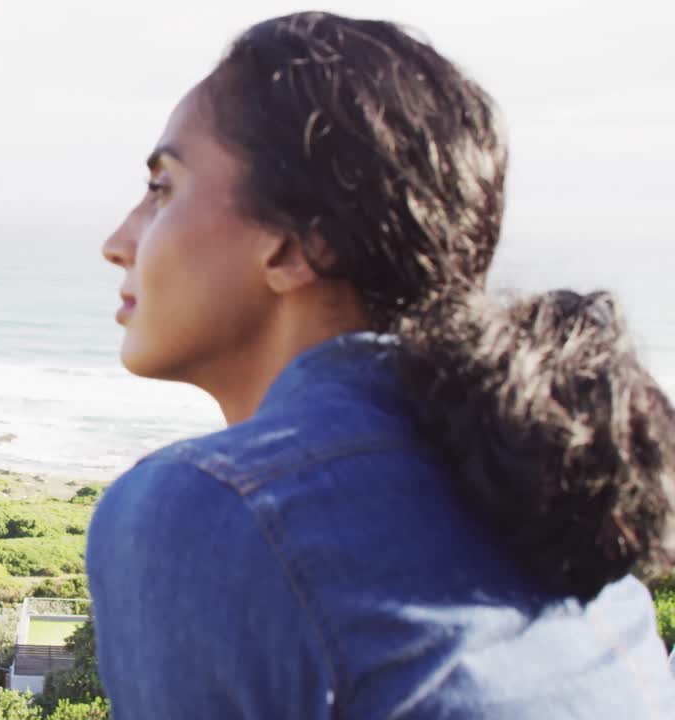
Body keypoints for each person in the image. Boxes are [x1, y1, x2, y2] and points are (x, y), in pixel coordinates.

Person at [87, 11, 675, 719]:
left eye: (163, 189)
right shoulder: (541, 474)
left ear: (295, 244)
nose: (119, 241)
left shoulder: (212, 506)